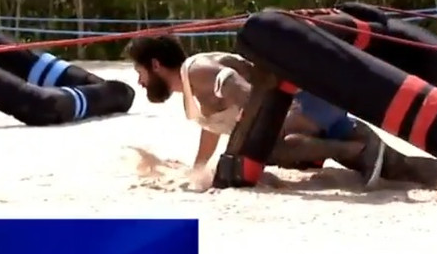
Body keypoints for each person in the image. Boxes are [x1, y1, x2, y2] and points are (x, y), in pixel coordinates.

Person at [125, 34, 388, 187]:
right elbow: (212, 127)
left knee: (262, 150)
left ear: (156, 65)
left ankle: (355, 150)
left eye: (140, 72)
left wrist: (244, 144)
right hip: (310, 112)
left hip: (308, 101)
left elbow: (247, 93)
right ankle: (328, 151)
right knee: (400, 171)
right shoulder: (192, 86)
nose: (139, 82)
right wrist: (198, 169)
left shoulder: (198, 70)